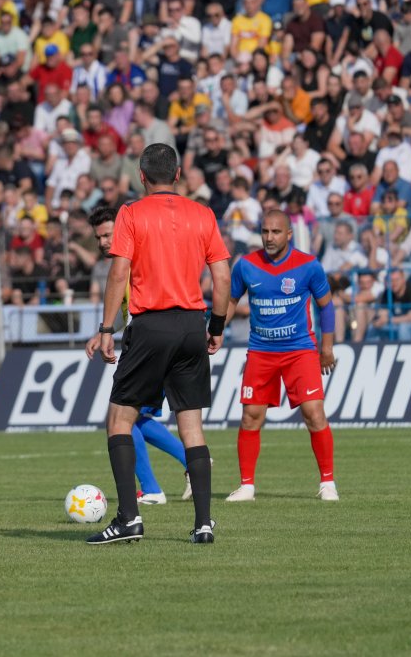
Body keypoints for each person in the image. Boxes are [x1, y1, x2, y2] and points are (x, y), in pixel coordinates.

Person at [84, 143, 230, 545]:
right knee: (192, 427)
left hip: (150, 325)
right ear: (178, 174)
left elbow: (119, 274)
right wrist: (216, 325)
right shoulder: (203, 214)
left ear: (142, 176)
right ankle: (203, 524)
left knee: (119, 420)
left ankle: (129, 519)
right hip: (192, 325)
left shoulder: (131, 214)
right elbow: (222, 277)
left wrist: (106, 328)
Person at [224, 210, 339, 502]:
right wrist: (215, 329)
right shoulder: (246, 265)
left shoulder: (308, 265)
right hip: (261, 351)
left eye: (276, 232)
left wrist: (327, 347)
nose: (269, 237)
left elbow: (326, 305)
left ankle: (328, 483)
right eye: (265, 231)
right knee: (250, 417)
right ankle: (247, 486)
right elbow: (232, 299)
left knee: (314, 413)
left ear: (289, 234)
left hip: (300, 350)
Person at [87, 206, 190, 505]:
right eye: (99, 237)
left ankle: (153, 489)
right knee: (135, 417)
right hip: (161, 341)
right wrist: (104, 332)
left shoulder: (134, 261)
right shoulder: (126, 261)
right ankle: (191, 461)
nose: (103, 242)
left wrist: (109, 331)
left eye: (108, 235)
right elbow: (127, 311)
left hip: (150, 345)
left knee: (122, 418)